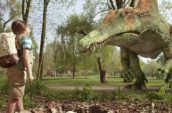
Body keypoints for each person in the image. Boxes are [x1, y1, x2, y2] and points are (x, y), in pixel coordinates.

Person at [6, 20, 34, 113]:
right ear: (24, 28)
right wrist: (30, 73)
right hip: (20, 70)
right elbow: (26, 56)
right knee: (15, 96)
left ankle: (21, 111)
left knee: (18, 94)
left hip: (11, 69)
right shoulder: (26, 39)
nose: (29, 28)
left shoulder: (13, 39)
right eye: (27, 26)